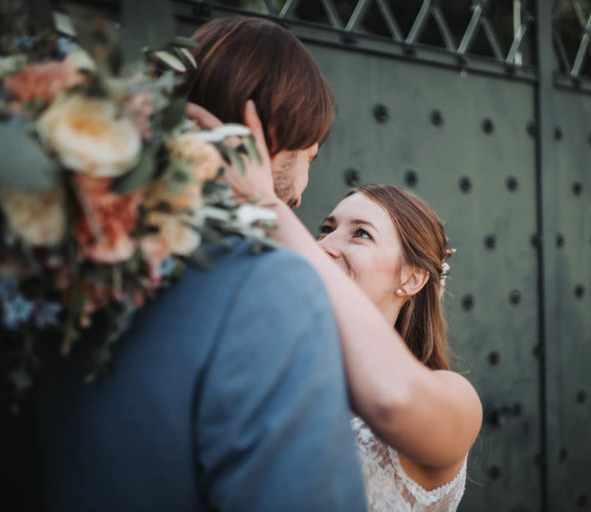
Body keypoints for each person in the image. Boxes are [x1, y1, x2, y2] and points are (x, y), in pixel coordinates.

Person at [0, 16, 367, 512]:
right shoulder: (267, 289)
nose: (301, 194)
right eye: (311, 155)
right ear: (273, 136)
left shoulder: (24, 246)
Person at [200, 93, 484, 510]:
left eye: (361, 234)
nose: (326, 245)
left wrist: (267, 207)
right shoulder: (277, 371)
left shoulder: (454, 397)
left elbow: (392, 399)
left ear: (412, 278)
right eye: (326, 228)